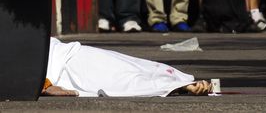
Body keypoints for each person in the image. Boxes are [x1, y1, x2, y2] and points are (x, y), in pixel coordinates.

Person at [41, 37, 211, 97]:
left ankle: (174, 82)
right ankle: (174, 85)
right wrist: (45, 85)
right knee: (118, 78)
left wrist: (45, 85)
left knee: (127, 66)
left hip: (66, 55)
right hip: (61, 66)